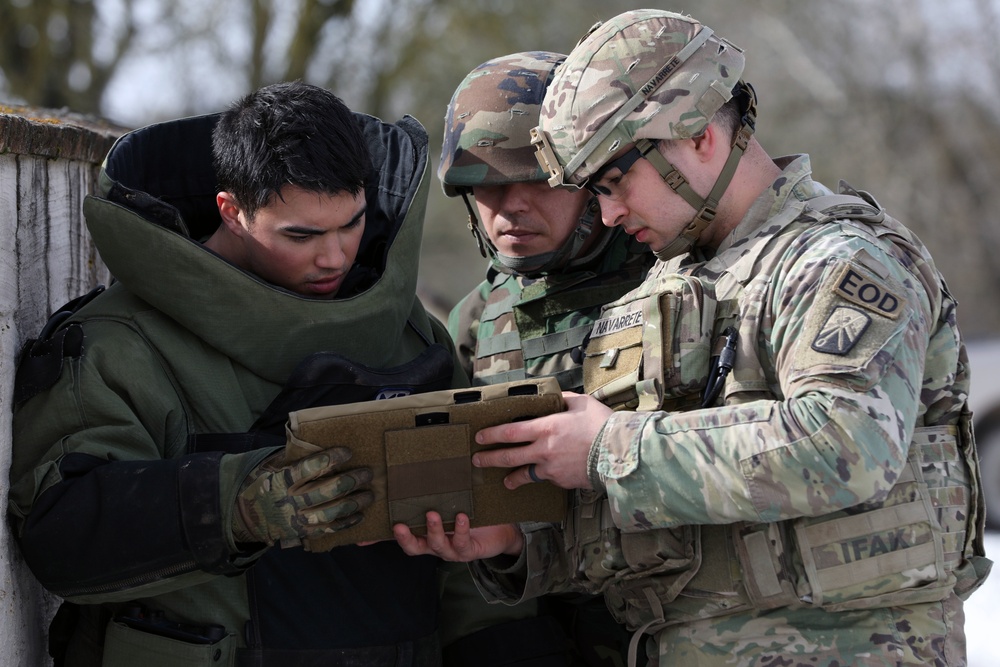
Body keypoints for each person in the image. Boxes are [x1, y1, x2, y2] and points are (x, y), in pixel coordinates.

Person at [395, 9, 993, 667]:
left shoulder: (836, 261)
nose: (608, 214)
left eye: (615, 183)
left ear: (699, 135)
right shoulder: (663, 289)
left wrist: (608, 448)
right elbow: (678, 522)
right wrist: (515, 544)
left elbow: (847, 445)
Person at [8, 80, 470, 666]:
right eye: (300, 235)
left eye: (352, 224)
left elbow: (471, 573)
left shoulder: (411, 333)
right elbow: (61, 535)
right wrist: (237, 505)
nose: (334, 257)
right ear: (232, 211)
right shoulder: (120, 345)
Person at [438, 52, 653, 667]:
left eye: (539, 179)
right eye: (485, 184)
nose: (510, 206)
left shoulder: (676, 289)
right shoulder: (476, 320)